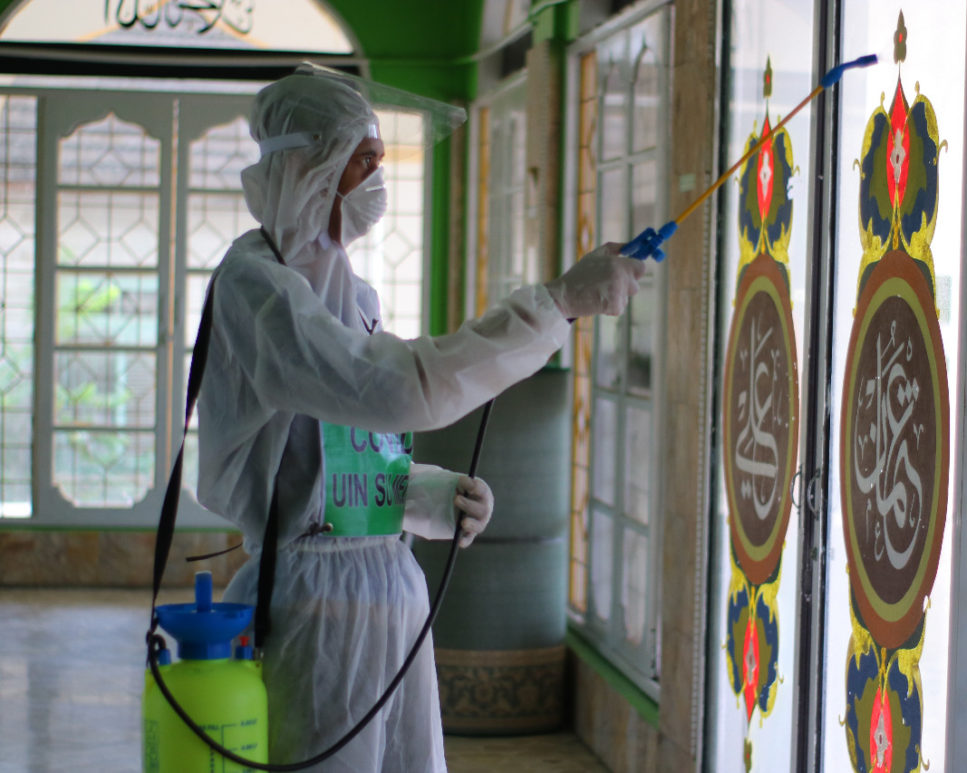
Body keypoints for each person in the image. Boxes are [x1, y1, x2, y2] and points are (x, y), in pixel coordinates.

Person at [196, 65, 647, 771]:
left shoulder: (355, 292)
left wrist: (431, 496)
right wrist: (554, 304)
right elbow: (399, 388)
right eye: (362, 160)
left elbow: (354, 443)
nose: (377, 179)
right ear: (310, 162)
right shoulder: (258, 289)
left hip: (389, 595)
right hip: (311, 608)